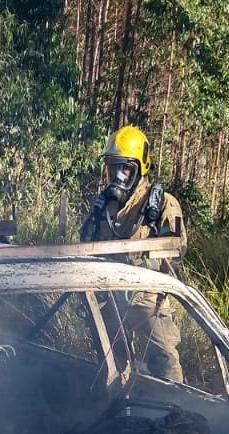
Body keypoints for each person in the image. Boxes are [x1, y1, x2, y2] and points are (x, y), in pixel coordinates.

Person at [78, 126, 187, 381]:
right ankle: (118, 401)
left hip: (147, 298)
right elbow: (86, 244)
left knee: (163, 359)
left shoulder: (162, 204)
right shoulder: (104, 205)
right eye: (112, 168)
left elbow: (176, 250)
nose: (117, 175)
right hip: (110, 295)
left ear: (139, 168)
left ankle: (175, 402)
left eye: (124, 168)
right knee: (112, 362)